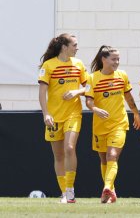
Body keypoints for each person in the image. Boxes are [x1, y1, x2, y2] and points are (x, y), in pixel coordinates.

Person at [85, 45, 140, 204]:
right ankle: (111, 191)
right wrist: (95, 109)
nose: (117, 62)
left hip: (119, 124)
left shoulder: (122, 75)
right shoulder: (92, 78)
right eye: (113, 59)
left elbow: (129, 98)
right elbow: (88, 101)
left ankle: (107, 187)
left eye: (118, 59)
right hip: (100, 126)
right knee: (104, 160)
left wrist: (136, 113)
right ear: (104, 59)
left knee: (112, 156)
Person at [38, 33, 87, 203]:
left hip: (73, 113)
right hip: (54, 117)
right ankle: (64, 192)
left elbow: (89, 87)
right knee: (58, 156)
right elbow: (42, 93)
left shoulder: (79, 64)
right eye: (74, 44)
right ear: (64, 47)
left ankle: (70, 190)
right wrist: (46, 114)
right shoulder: (48, 65)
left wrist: (77, 91)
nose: (77, 48)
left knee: (69, 147)